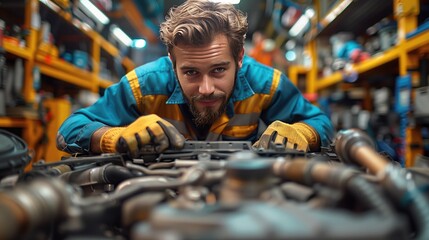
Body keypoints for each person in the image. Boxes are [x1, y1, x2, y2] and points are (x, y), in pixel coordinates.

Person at [56, 0, 334, 157]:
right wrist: (114, 137)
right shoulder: (143, 85)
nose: (206, 88)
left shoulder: (266, 83)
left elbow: (321, 123)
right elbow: (70, 128)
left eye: (218, 70)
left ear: (239, 59)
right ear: (171, 61)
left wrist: (303, 133)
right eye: (190, 72)